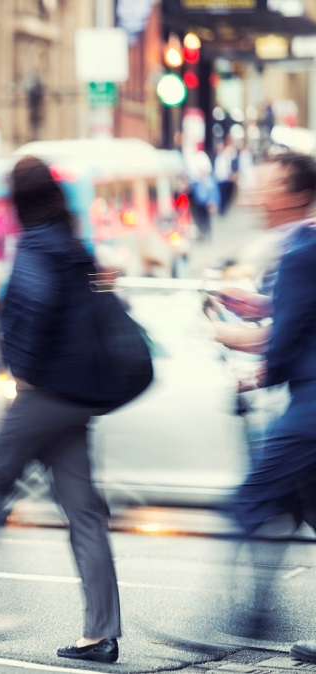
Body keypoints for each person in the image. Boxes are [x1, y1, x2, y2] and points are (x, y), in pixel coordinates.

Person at [0, 156, 122, 663]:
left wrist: (23, 368)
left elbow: (35, 308)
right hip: (80, 398)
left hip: (44, 391)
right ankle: (100, 633)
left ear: (18, 200)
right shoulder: (73, 244)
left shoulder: (37, 245)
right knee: (84, 512)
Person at [212, 152, 316, 643]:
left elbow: (288, 337)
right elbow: (300, 312)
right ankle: (256, 614)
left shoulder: (301, 251)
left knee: (249, 500)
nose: (255, 194)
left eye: (268, 185)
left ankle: (245, 619)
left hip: (311, 406)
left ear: (296, 195)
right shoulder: (305, 247)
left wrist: (246, 357)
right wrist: (260, 306)